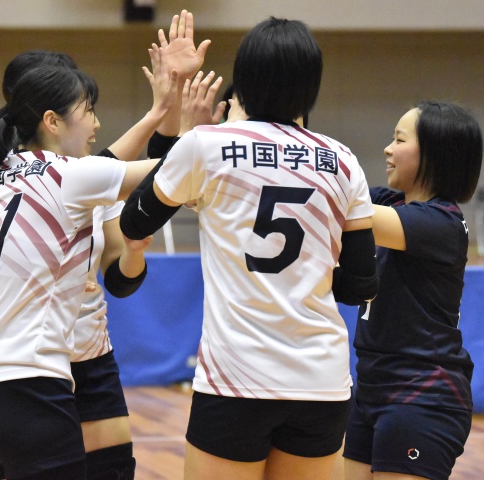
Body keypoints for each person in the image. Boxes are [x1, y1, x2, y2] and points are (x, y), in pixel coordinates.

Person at [0, 11, 210, 479]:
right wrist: (198, 127)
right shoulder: (72, 176)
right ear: (50, 119)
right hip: (31, 379)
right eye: (88, 110)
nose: (96, 123)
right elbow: (169, 174)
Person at [120, 17, 379, 480]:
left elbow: (134, 221)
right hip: (321, 383)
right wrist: (306, 275)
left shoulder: (206, 145)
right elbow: (360, 285)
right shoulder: (342, 160)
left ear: (245, 80)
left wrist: (184, 143)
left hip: (235, 380)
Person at [342, 101, 483, 480]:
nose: (387, 149)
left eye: (399, 140)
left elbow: (341, 207)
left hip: (423, 394)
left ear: (434, 154)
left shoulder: (441, 222)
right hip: (370, 386)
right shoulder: (391, 202)